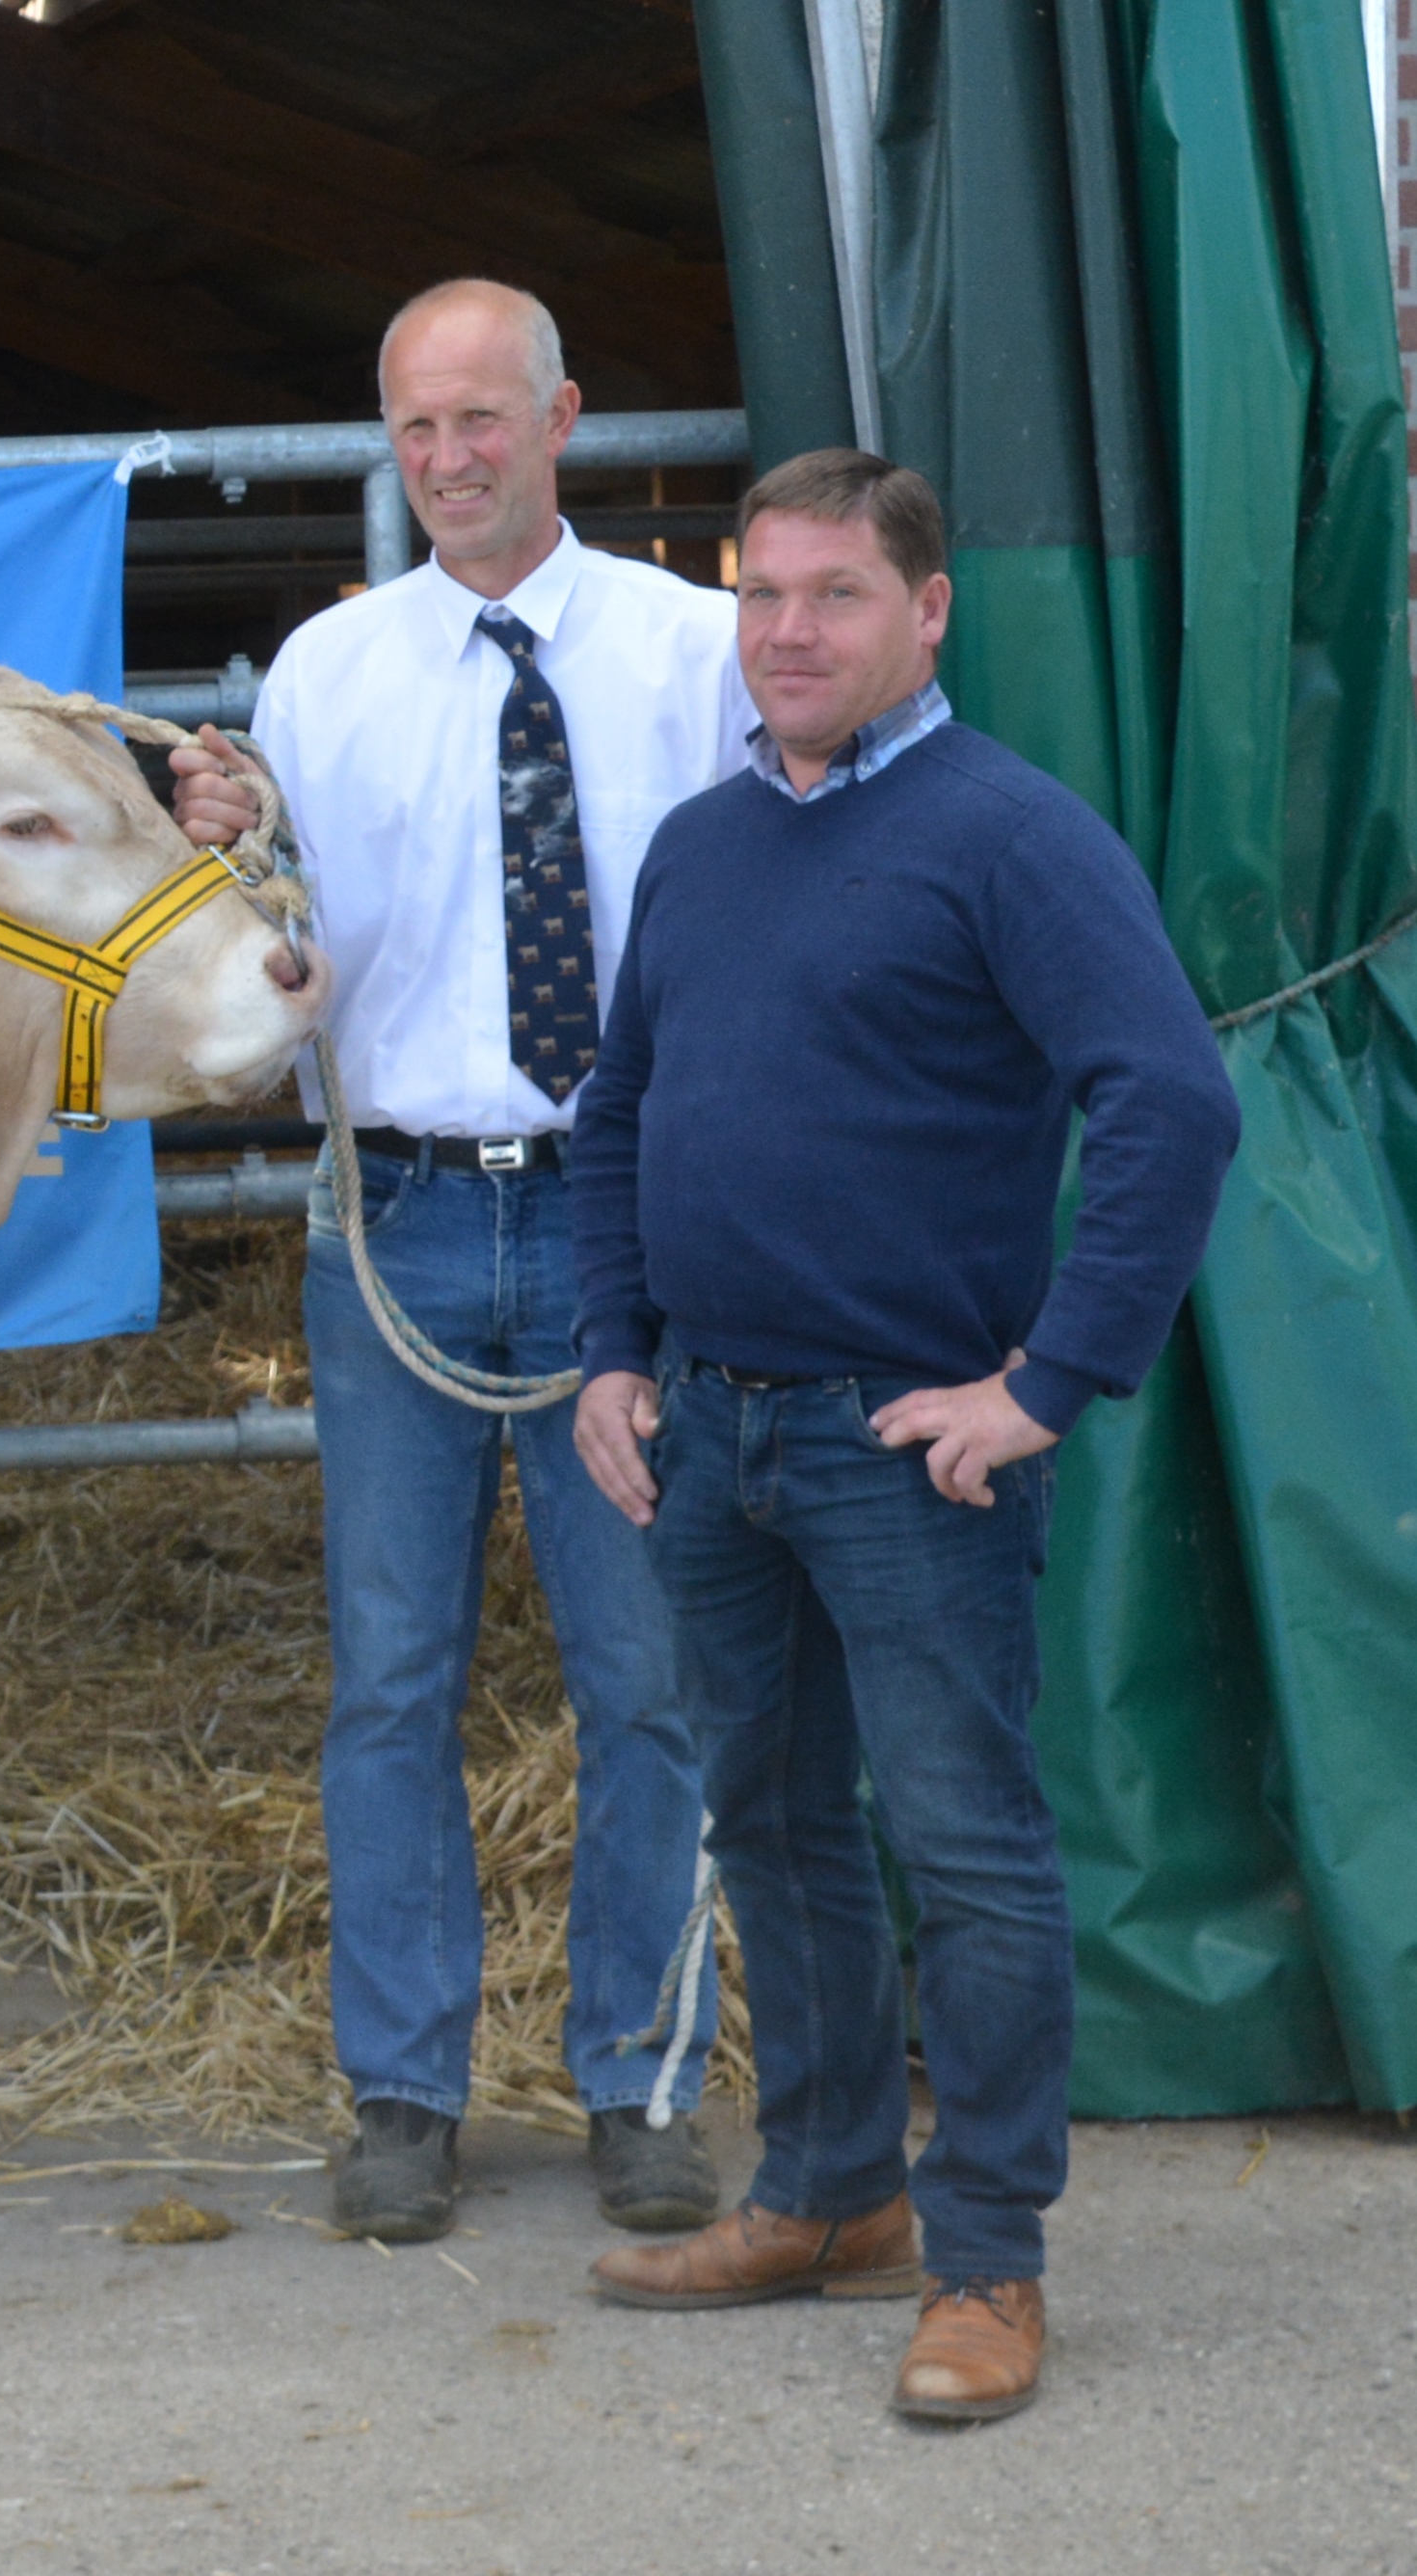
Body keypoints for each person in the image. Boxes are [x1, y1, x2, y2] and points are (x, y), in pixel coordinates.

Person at [567, 449, 1236, 2423]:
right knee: (773, 1826)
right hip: (707, 1427)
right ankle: (828, 2191)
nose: (786, 631)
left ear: (926, 612)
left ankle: (987, 2261)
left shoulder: (1004, 834)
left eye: (835, 594)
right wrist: (610, 1351)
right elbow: (619, 1106)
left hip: (904, 1445)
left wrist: (1043, 1382)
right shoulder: (700, 842)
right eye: (760, 592)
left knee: (963, 1849)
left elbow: (1169, 1101)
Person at [171, 280, 746, 2242]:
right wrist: (228, 843)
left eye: (480, 419)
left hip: (621, 1213)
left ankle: (638, 2085)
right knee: (390, 1675)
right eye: (413, 427)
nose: (446, 459)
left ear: (560, 419)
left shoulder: (692, 652)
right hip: (400, 1212)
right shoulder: (322, 673)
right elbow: (289, 946)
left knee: (642, 1678)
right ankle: (402, 2094)